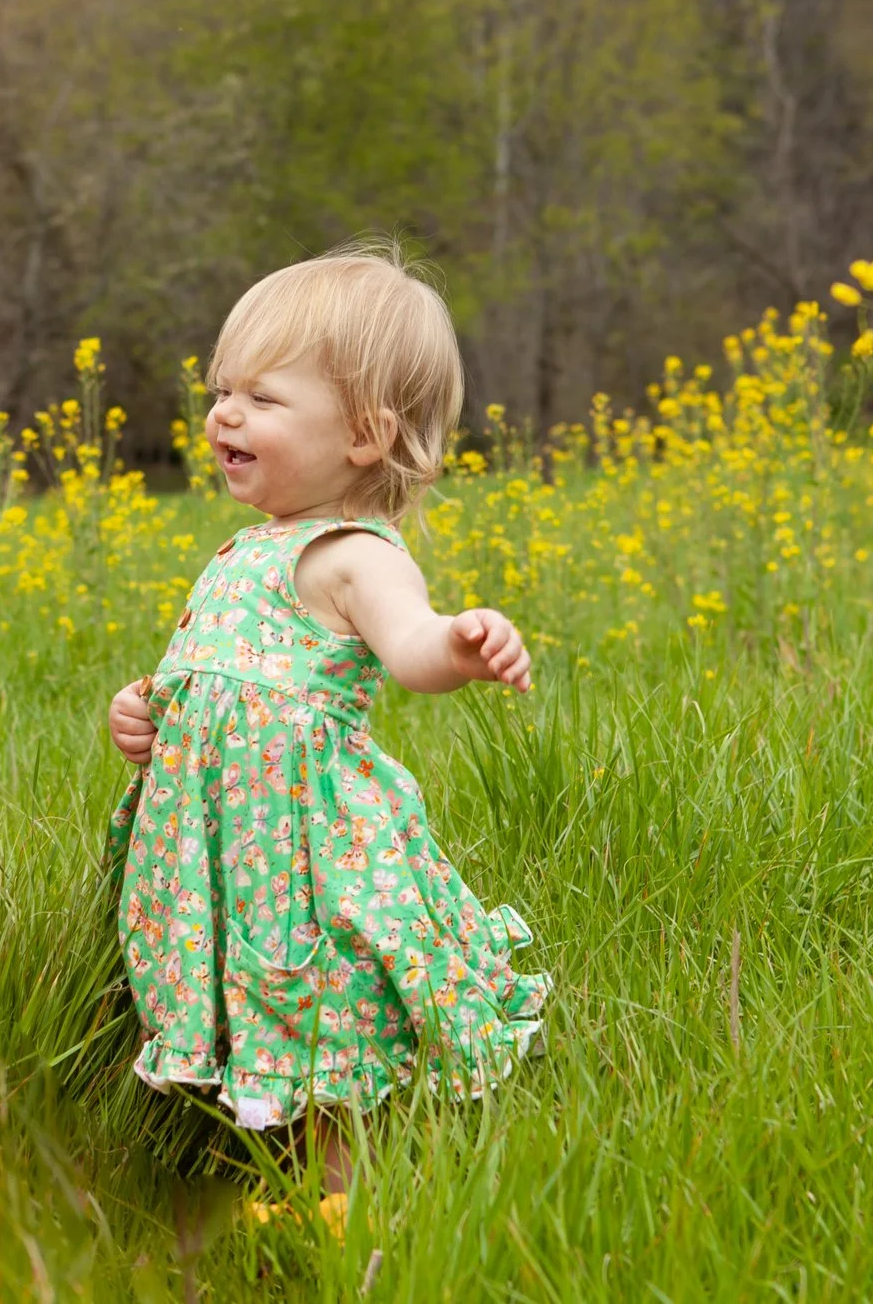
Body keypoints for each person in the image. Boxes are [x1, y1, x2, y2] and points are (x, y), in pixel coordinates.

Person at [102, 239, 550, 1230]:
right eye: (223, 392)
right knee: (257, 1005)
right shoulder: (244, 551)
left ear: (362, 434)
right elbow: (210, 684)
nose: (224, 414)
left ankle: (336, 1199)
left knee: (319, 1006)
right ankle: (275, 1163)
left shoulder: (352, 556)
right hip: (224, 851)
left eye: (261, 397)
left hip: (306, 851)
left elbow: (410, 650)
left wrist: (462, 642)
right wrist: (143, 714)